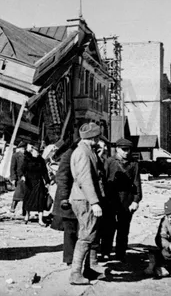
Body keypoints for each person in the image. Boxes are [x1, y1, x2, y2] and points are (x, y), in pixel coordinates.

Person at [69, 122, 106, 285]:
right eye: (98, 137)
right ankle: (75, 274)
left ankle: (87, 270)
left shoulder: (86, 150)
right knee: (86, 236)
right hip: (85, 199)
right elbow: (85, 179)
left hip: (84, 198)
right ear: (93, 137)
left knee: (91, 235)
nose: (99, 140)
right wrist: (95, 202)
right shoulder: (83, 153)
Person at [101, 138, 142, 262]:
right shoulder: (109, 162)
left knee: (123, 229)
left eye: (128, 150)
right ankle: (105, 251)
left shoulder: (134, 164)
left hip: (127, 202)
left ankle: (121, 253)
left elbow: (137, 183)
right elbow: (102, 182)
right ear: (117, 149)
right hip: (110, 200)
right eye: (123, 150)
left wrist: (136, 200)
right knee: (108, 227)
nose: (126, 152)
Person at [51, 139, 80, 266]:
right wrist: (64, 198)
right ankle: (69, 259)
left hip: (78, 197)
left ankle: (76, 258)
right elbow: (62, 177)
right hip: (68, 198)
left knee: (77, 229)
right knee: (70, 230)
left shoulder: (82, 153)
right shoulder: (69, 154)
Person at [22, 144, 50, 226]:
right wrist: (23, 176)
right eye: (36, 151)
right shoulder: (27, 159)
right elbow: (22, 169)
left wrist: (47, 182)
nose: (38, 153)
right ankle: (27, 215)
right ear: (33, 151)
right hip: (29, 182)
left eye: (39, 152)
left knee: (40, 200)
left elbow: (44, 172)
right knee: (28, 199)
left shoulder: (41, 160)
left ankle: (40, 220)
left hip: (39, 182)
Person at [9, 141, 27, 213]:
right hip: (19, 177)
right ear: (19, 149)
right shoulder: (15, 156)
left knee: (26, 195)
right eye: (22, 149)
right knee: (17, 193)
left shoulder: (27, 155)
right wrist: (13, 178)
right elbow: (12, 167)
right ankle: (12, 207)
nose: (23, 150)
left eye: (24, 149)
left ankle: (24, 210)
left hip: (26, 177)